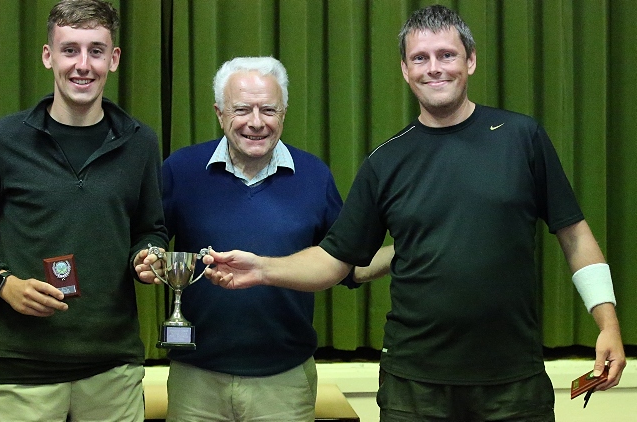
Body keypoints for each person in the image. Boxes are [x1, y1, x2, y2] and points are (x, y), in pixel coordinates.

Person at [202, 5, 626, 421]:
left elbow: (575, 236)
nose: (434, 68)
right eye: (420, 58)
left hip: (513, 382)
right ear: (405, 70)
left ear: (471, 61)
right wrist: (261, 269)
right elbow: (336, 261)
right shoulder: (385, 162)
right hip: (413, 389)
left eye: (447, 55)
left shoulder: (522, 137)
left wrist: (606, 323)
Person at [0, 1, 168, 420]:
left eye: (96, 51)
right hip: (24, 366)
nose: (82, 65)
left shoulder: (141, 142)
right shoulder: (3, 139)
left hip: (113, 366)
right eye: (70, 50)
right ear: (48, 56)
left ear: (113, 59)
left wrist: (150, 254)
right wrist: (3, 282)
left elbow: (151, 228)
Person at [151, 56, 375, 422]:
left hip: (285, 382)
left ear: (284, 113)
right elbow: (151, 240)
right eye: (242, 109)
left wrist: (410, 251)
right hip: (195, 380)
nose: (256, 122)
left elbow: (347, 263)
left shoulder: (315, 175)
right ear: (219, 113)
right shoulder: (180, 169)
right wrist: (151, 256)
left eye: (268, 109)